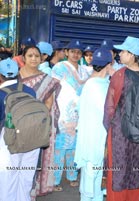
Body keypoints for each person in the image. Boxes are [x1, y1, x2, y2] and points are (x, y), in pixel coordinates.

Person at [103, 36, 139, 201]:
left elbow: (109, 108)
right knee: (136, 171)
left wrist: (110, 127)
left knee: (118, 172)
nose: (119, 54)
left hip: (120, 134)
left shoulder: (120, 75)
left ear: (131, 55)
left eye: (123, 51)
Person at [18, 45, 61, 199]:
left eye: (37, 56)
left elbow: (49, 103)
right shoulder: (15, 77)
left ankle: (30, 195)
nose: (34, 59)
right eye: (30, 56)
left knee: (31, 165)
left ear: (42, 58)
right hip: (15, 127)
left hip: (36, 126)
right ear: (23, 58)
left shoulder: (46, 80)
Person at [74, 48, 113, 201]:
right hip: (94, 136)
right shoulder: (95, 86)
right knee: (91, 174)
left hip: (95, 136)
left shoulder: (98, 83)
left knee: (94, 174)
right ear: (108, 65)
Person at [52, 39, 90, 192]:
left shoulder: (84, 69)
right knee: (60, 147)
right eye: (72, 51)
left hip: (79, 113)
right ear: (66, 52)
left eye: (78, 52)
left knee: (74, 147)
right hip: (63, 112)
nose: (75, 54)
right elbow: (53, 87)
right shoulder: (59, 67)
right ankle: (55, 179)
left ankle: (72, 176)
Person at [0, 58, 37, 201]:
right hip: (33, 137)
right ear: (18, 74)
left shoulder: (1, 93)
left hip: (9, 139)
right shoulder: (30, 91)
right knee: (26, 176)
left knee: (8, 178)